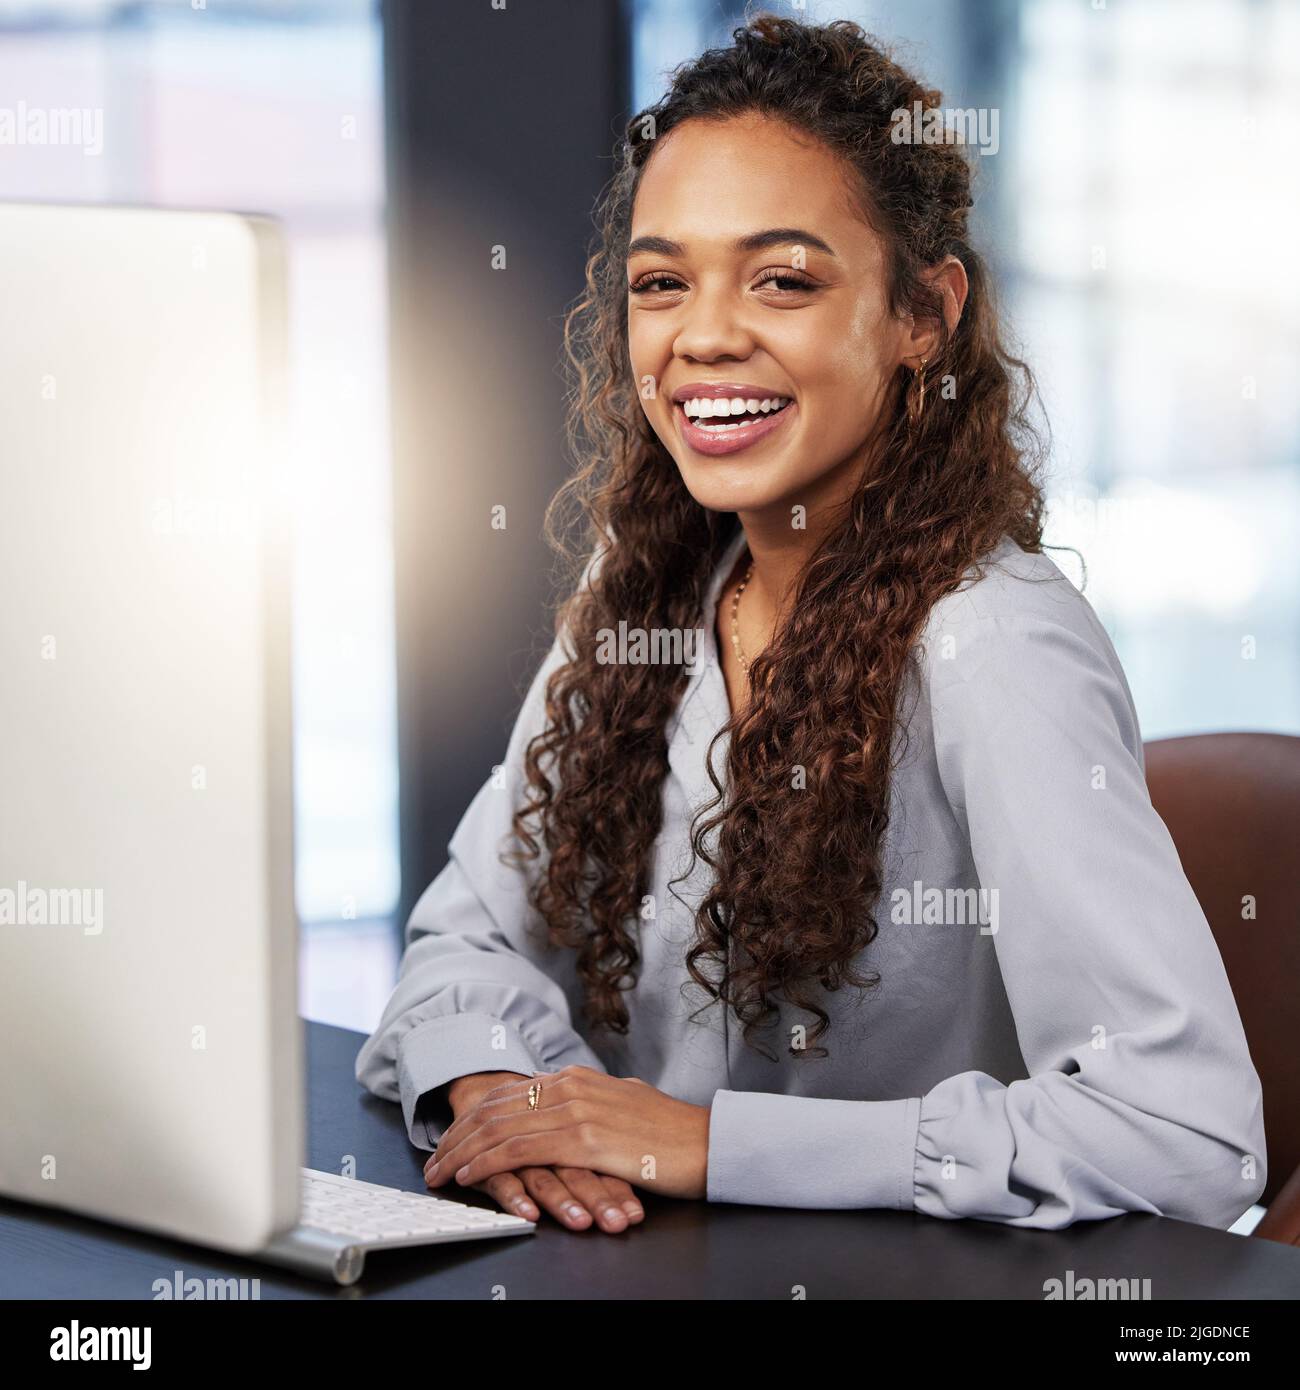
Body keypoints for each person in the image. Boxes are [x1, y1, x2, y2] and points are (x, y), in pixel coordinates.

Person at [356, 13, 1266, 1237]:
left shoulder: (994, 645)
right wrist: (512, 1101)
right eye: (661, 282)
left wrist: (708, 1141)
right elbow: (460, 945)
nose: (705, 336)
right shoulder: (645, 599)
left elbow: (1185, 1132)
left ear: (921, 315)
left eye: (783, 278)